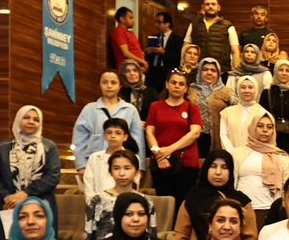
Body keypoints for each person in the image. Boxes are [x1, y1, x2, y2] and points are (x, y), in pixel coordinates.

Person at [0, 106, 63, 235]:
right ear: (17, 120)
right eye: (26, 117)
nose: (31, 122)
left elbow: (53, 177)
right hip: (9, 206)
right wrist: (7, 197)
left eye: (36, 119)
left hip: (41, 205)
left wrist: (25, 194)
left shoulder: (49, 147)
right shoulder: (3, 147)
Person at [145, 69, 204, 202]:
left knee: (183, 203)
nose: (177, 86)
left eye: (181, 84)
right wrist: (159, 154)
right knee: (164, 202)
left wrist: (169, 149)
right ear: (167, 84)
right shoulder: (155, 106)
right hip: (161, 162)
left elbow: (195, 133)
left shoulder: (192, 108)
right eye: (173, 82)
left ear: (186, 88)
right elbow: (149, 132)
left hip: (186, 164)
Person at [71, 70, 147, 169]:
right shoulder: (89, 109)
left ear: (120, 85)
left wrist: (139, 167)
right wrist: (81, 166)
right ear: (99, 85)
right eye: (105, 82)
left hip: (124, 166)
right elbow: (79, 140)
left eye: (113, 82)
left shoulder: (130, 110)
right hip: (95, 165)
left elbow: (138, 141)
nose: (109, 86)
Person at [231, 111, 289, 219]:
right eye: (260, 126)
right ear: (252, 128)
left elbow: (287, 185)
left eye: (269, 127)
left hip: (271, 210)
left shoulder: (281, 156)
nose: (265, 130)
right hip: (242, 209)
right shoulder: (238, 153)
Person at [170, 151, 239, 240]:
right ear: (206, 169)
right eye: (213, 166)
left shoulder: (241, 201)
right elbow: (180, 237)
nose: (218, 172)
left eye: (224, 167)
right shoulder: (192, 200)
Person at [218, 74, 270, 164]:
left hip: (255, 160)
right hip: (231, 158)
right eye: (243, 87)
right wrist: (233, 154)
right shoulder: (227, 112)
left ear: (256, 90)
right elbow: (223, 135)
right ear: (238, 89)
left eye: (250, 87)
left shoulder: (263, 114)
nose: (247, 90)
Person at [176, 0, 239, 72]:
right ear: (203, 7)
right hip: (197, 70)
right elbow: (185, 47)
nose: (210, 6)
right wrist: (183, 67)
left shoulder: (228, 26)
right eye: (207, 4)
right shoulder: (194, 24)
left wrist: (236, 74)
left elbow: (235, 51)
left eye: (213, 4)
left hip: (221, 71)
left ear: (218, 7)